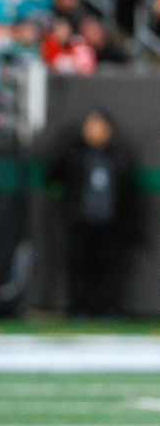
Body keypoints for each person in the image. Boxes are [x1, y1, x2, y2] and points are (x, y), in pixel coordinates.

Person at [48, 108, 134, 317]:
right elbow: (54, 175)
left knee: (108, 267)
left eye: (100, 127)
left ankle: (108, 308)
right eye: (91, 126)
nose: (95, 131)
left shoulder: (119, 154)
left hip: (109, 222)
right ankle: (78, 308)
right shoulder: (73, 152)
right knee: (78, 266)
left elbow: (127, 189)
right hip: (80, 220)